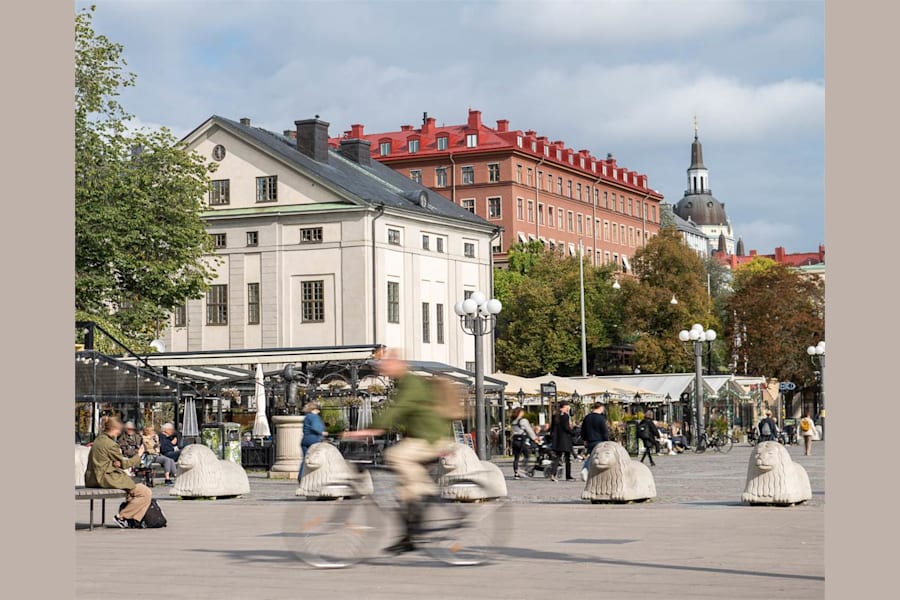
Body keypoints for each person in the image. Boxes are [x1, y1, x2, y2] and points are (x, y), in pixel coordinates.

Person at [343, 350, 455, 555]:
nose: (382, 368)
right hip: (423, 437)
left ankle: (426, 490)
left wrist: (371, 429)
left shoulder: (411, 383)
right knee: (404, 491)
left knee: (395, 456)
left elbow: (396, 409)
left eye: (386, 364)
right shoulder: (404, 383)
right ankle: (408, 537)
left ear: (397, 364)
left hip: (431, 438)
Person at [85, 415, 152, 528]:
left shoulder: (99, 440)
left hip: (92, 478)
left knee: (134, 493)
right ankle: (122, 517)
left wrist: (116, 463)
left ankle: (130, 519)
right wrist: (139, 455)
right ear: (113, 429)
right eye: (118, 430)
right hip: (105, 478)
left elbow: (108, 461)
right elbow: (125, 464)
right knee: (145, 492)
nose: (119, 432)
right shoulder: (111, 444)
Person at [579, 402, 610, 480]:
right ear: (600, 408)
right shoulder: (601, 418)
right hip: (599, 440)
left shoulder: (587, 417)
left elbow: (583, 430)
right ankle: (586, 469)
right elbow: (604, 430)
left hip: (589, 440)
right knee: (597, 457)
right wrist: (607, 440)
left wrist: (584, 439)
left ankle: (587, 470)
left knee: (592, 455)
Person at [298, 401, 327, 482]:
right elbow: (316, 427)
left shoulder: (307, 417)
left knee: (305, 460)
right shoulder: (315, 417)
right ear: (314, 409)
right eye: (318, 410)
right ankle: (317, 478)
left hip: (305, 440)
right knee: (317, 460)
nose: (319, 411)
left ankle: (301, 477)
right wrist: (322, 432)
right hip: (314, 440)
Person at [510, 407, 540, 479]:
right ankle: (523, 469)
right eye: (522, 412)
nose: (523, 413)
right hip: (521, 440)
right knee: (527, 455)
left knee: (516, 457)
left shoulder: (513, 421)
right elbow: (529, 430)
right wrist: (535, 438)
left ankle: (516, 472)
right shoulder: (523, 421)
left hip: (515, 440)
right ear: (520, 412)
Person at [548, 401, 575, 482]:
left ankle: (553, 474)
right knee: (567, 458)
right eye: (568, 406)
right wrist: (572, 432)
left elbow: (552, 428)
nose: (569, 408)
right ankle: (568, 476)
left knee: (557, 457)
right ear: (565, 406)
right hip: (565, 439)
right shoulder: (565, 416)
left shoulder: (555, 415)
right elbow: (566, 428)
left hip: (557, 439)